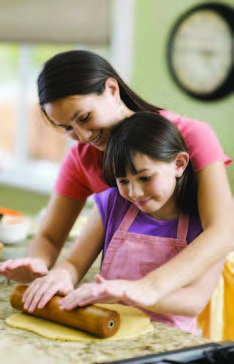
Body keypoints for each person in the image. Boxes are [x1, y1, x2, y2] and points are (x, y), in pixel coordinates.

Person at [0, 50, 232, 309]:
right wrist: (40, 264)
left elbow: (223, 231)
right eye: (67, 128)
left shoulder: (191, 136)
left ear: (112, 89)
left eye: (84, 117)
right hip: (120, 300)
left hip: (184, 295)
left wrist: (147, 288)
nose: (83, 136)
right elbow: (51, 237)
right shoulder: (82, 156)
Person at [22, 112, 225, 333]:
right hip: (105, 324)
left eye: (146, 178)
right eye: (123, 181)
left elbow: (194, 301)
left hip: (167, 337)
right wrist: (60, 274)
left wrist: (128, 292)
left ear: (179, 164)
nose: (134, 192)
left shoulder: (207, 223)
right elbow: (74, 263)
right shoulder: (111, 203)